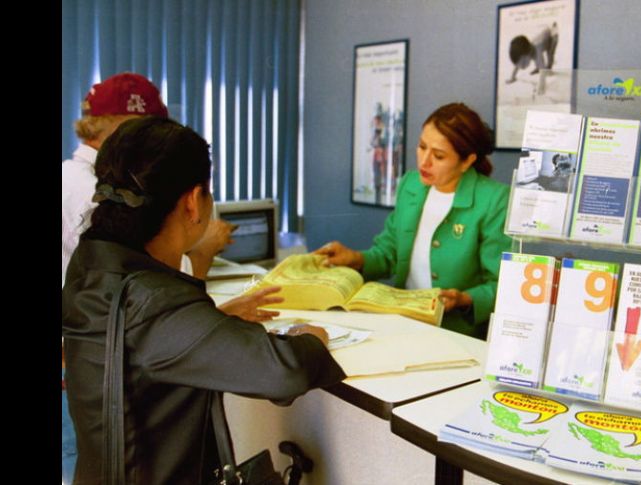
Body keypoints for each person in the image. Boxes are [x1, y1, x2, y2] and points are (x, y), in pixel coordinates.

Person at [62, 116, 345, 484]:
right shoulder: (153, 299)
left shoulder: (92, 264)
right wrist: (311, 336)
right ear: (193, 202)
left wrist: (211, 320)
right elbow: (285, 371)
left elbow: (142, 343)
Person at [316, 103, 513, 339]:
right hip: (405, 325)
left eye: (438, 155)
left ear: (467, 161)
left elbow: (502, 284)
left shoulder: (493, 199)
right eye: (421, 147)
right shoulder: (411, 184)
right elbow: (389, 253)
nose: (424, 161)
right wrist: (355, 258)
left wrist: (464, 299)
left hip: (458, 335)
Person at [62, 72, 233, 284]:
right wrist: (207, 245)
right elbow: (159, 283)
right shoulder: (101, 196)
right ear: (127, 127)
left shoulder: (72, 178)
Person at [505, 22, 559, 92]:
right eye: (521, 64)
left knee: (550, 54)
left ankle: (548, 68)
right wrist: (512, 78)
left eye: (523, 63)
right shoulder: (525, 51)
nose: (522, 67)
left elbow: (543, 73)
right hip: (544, 35)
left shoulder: (537, 53)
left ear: (527, 55)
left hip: (553, 35)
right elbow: (517, 65)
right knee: (539, 63)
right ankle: (538, 67)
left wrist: (541, 88)